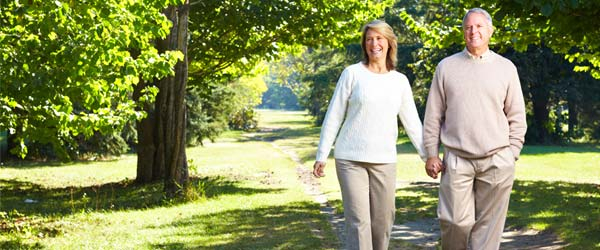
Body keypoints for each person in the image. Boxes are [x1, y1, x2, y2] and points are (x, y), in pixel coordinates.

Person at [312, 20, 427, 250]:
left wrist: (428, 157)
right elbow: (334, 115)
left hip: (384, 160)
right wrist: (322, 154)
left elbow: (413, 123)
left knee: (383, 222)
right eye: (369, 39)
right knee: (358, 222)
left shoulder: (399, 81)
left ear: (389, 43)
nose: (374, 43)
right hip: (350, 159)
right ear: (364, 45)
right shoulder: (352, 74)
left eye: (379, 38)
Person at [423, 7, 527, 250]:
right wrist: (430, 153)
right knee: (455, 222)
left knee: (488, 229)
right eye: (469, 27)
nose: (474, 31)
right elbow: (433, 116)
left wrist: (511, 154)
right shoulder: (446, 67)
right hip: (457, 159)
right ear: (463, 32)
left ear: (490, 31)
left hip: (497, 159)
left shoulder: (506, 68)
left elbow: (517, 116)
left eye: (479, 26)